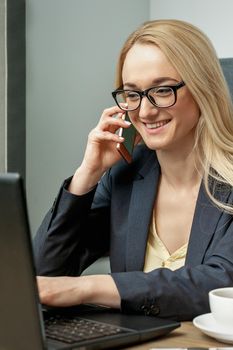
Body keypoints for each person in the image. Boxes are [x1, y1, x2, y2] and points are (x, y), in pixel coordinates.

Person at [34, 19, 233, 321]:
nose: (145, 111)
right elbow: (44, 275)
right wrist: (87, 175)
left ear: (202, 87)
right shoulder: (124, 176)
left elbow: (220, 284)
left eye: (163, 90)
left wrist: (90, 287)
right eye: (132, 94)